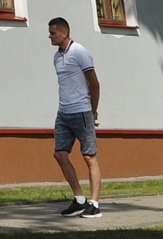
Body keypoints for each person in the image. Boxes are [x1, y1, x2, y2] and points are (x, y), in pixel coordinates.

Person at [47, 17, 101, 218]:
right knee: (60, 155)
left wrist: (93, 110)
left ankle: (94, 204)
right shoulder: (56, 57)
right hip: (64, 113)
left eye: (53, 33)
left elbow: (94, 84)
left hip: (82, 112)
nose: (50, 36)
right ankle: (79, 200)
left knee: (89, 157)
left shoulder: (79, 52)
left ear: (64, 33)